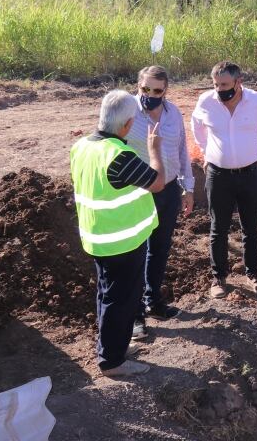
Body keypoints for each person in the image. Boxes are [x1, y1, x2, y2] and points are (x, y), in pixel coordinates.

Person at [70, 90, 165, 377]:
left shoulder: (83, 146)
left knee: (107, 294)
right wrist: (154, 150)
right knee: (120, 299)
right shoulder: (118, 156)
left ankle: (112, 347)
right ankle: (112, 362)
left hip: (97, 236)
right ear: (126, 125)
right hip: (121, 242)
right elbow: (157, 182)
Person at [191, 61, 257, 298]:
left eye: (225, 84)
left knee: (251, 228)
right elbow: (197, 126)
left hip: (250, 173)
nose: (220, 89)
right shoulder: (206, 102)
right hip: (218, 175)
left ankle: (254, 275)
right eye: (216, 84)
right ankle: (218, 278)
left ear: (239, 83)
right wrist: (206, 152)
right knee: (218, 229)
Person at [125, 66, 195, 340]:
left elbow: (181, 150)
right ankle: (134, 317)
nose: (150, 95)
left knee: (160, 249)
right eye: (145, 89)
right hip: (138, 191)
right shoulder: (127, 111)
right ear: (138, 86)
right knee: (135, 253)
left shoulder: (173, 113)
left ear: (166, 90)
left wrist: (187, 188)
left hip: (167, 191)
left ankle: (152, 301)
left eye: (157, 91)